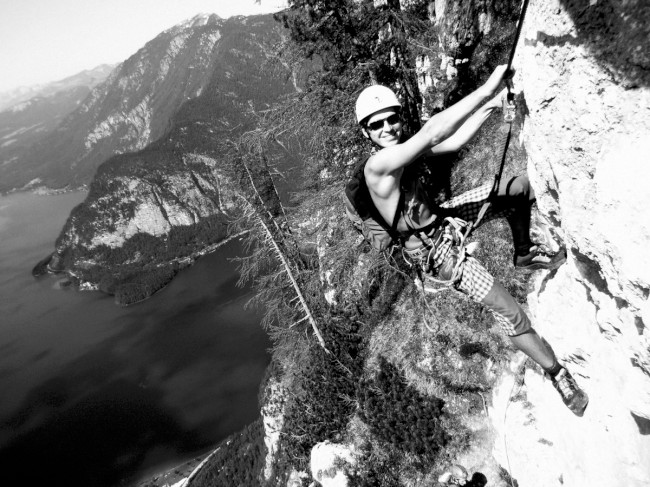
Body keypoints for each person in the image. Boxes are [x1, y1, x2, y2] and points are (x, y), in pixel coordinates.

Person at [354, 65, 589, 416]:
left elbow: (453, 141)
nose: (387, 128)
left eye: (392, 119)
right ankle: (557, 374)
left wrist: (491, 107)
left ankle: (524, 253)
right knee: (508, 311)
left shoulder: (402, 152)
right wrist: (484, 89)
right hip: (438, 255)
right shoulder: (377, 168)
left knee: (517, 187)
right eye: (377, 124)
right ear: (366, 132)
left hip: (444, 221)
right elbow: (432, 133)